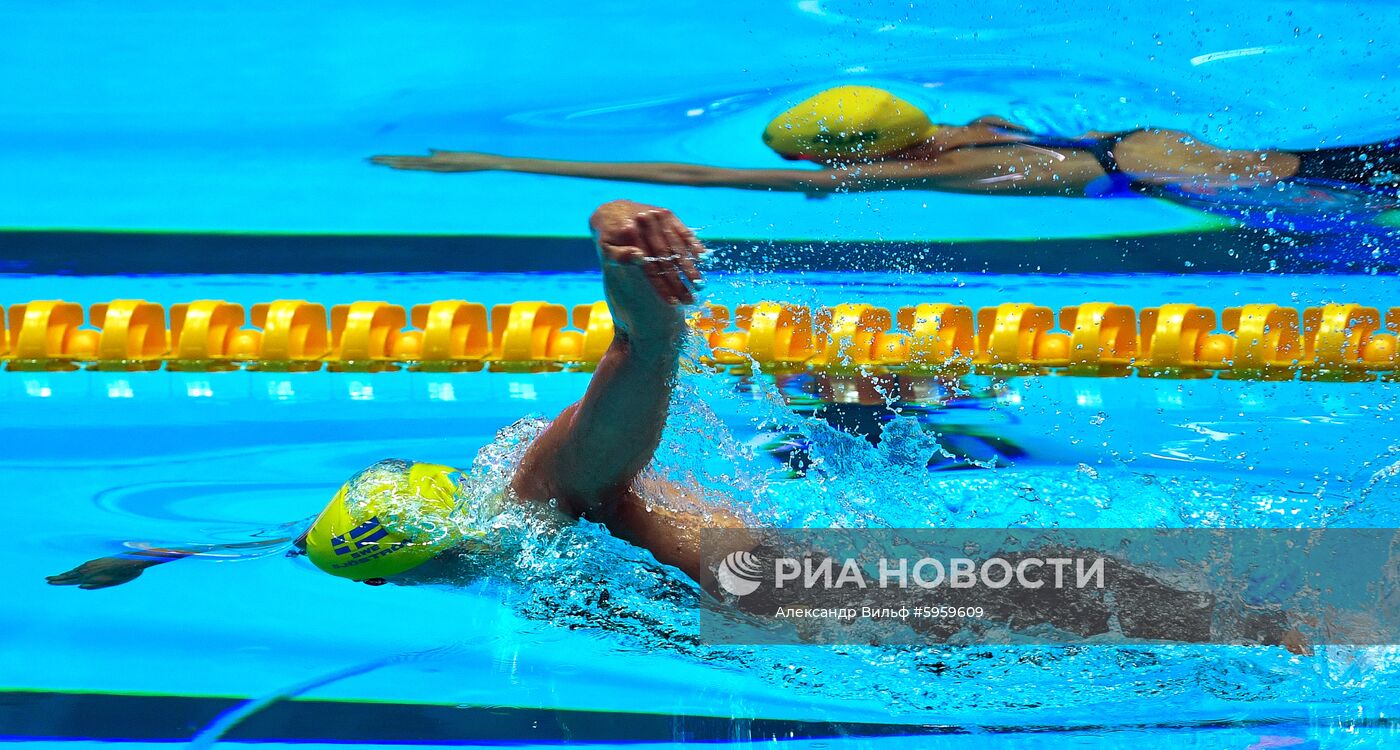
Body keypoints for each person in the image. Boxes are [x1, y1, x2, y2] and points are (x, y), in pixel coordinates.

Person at [47, 200, 748, 596]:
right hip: (794, 592)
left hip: (809, 591)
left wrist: (635, 313)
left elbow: (628, 376)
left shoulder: (537, 504)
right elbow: (300, 542)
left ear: (388, 583)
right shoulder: (489, 528)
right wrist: (167, 555)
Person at [369, 85, 1400, 201]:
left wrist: (503, 161)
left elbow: (689, 173)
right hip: (1146, 143)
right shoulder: (979, 124)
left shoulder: (950, 169)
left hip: (1210, 190)